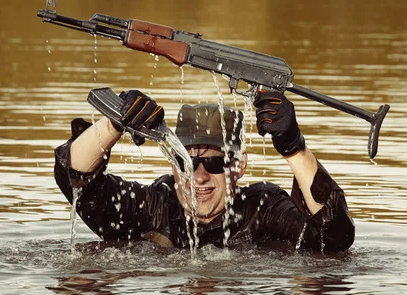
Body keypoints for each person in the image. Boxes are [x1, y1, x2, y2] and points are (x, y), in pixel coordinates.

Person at [54, 89, 355, 252]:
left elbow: (336, 238)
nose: (199, 176)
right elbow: (75, 181)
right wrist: (114, 122)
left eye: (213, 162)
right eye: (186, 162)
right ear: (173, 166)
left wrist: (293, 146)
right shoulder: (154, 207)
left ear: (238, 166)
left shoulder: (262, 210)